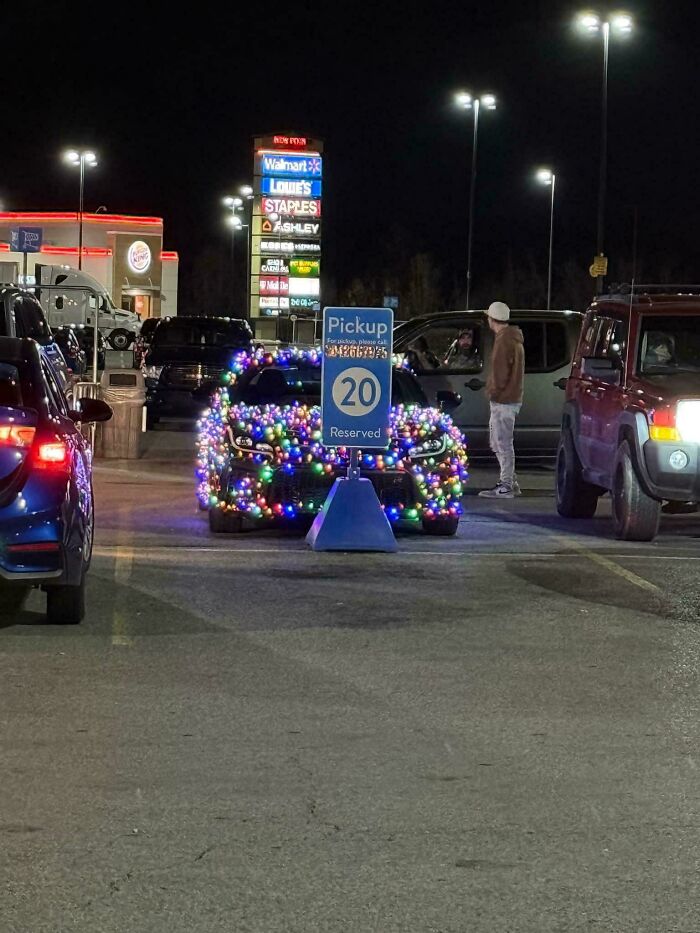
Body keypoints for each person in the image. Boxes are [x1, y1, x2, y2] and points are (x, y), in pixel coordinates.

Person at [478, 301, 525, 499]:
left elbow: (499, 373)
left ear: (492, 319)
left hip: (503, 401)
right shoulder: (512, 338)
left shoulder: (503, 341)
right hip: (509, 399)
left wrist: (492, 393)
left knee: (502, 442)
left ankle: (506, 485)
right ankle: (510, 481)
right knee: (499, 442)